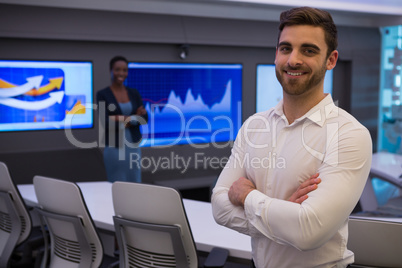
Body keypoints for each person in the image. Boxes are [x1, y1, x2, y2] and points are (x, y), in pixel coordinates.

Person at [211, 6, 372, 268]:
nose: (293, 60)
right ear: (276, 54)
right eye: (285, 48)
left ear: (331, 60)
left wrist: (248, 198)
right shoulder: (254, 126)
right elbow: (219, 206)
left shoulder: (349, 135)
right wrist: (284, 212)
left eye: (308, 50)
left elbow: (308, 232)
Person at [97, 56, 148, 182]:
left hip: (133, 146)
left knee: (135, 183)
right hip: (114, 148)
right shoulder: (103, 94)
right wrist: (132, 118)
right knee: (118, 184)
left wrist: (120, 119)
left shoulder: (134, 93)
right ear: (111, 70)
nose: (121, 73)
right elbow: (106, 123)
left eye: (125, 70)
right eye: (117, 69)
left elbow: (144, 118)